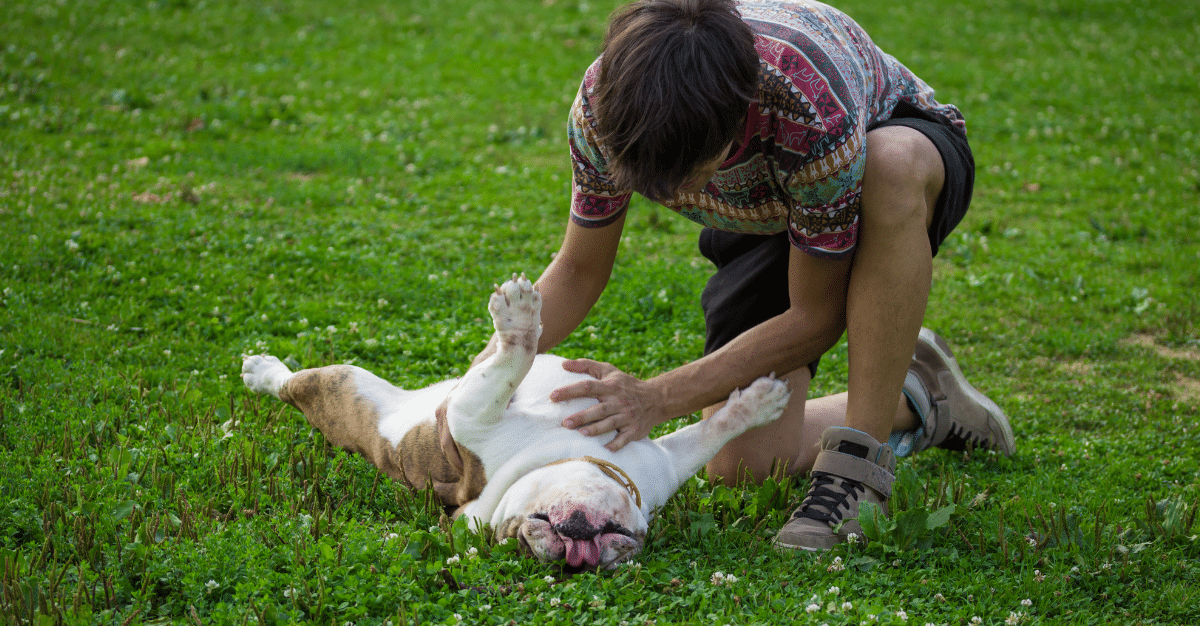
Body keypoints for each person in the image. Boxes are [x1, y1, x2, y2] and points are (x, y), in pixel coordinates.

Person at [477, 0, 1014, 551]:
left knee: (890, 165)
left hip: (888, 165)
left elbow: (814, 316)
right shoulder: (605, 106)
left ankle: (857, 472)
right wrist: (477, 382)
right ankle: (922, 391)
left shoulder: (806, 102)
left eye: (688, 179)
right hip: (772, 210)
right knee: (743, 466)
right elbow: (579, 269)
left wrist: (659, 397)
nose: (673, 198)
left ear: (736, 128)